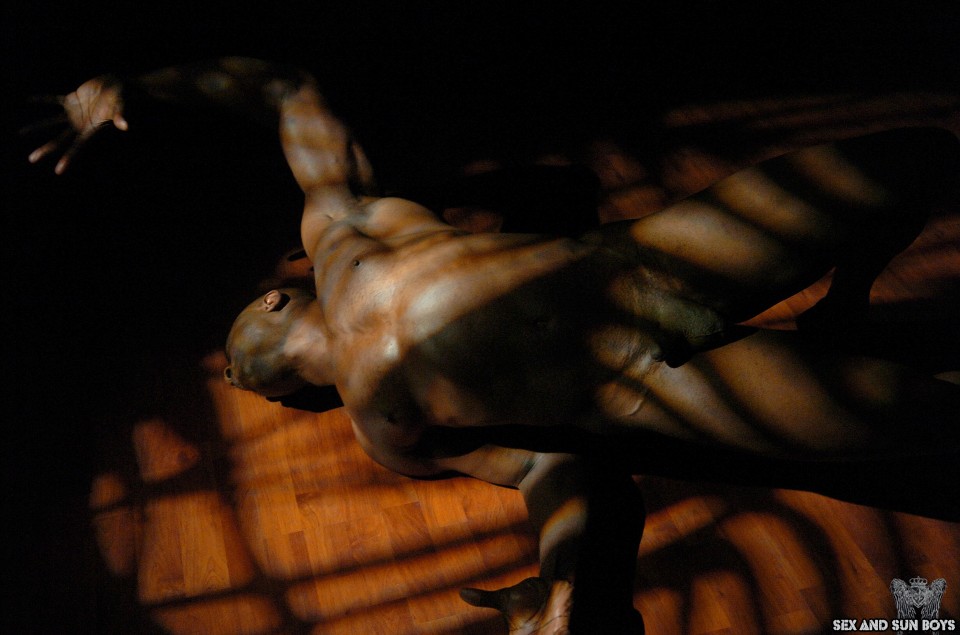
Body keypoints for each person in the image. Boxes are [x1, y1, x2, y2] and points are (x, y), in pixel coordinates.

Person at [30, 57, 960, 634]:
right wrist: (563, 586)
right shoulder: (384, 431)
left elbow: (285, 89)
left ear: (273, 298)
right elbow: (550, 471)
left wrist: (137, 85)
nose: (238, 380)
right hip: (659, 383)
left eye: (233, 364)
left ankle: (846, 302)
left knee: (916, 158)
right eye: (244, 383)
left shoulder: (348, 228)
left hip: (666, 257)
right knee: (932, 425)